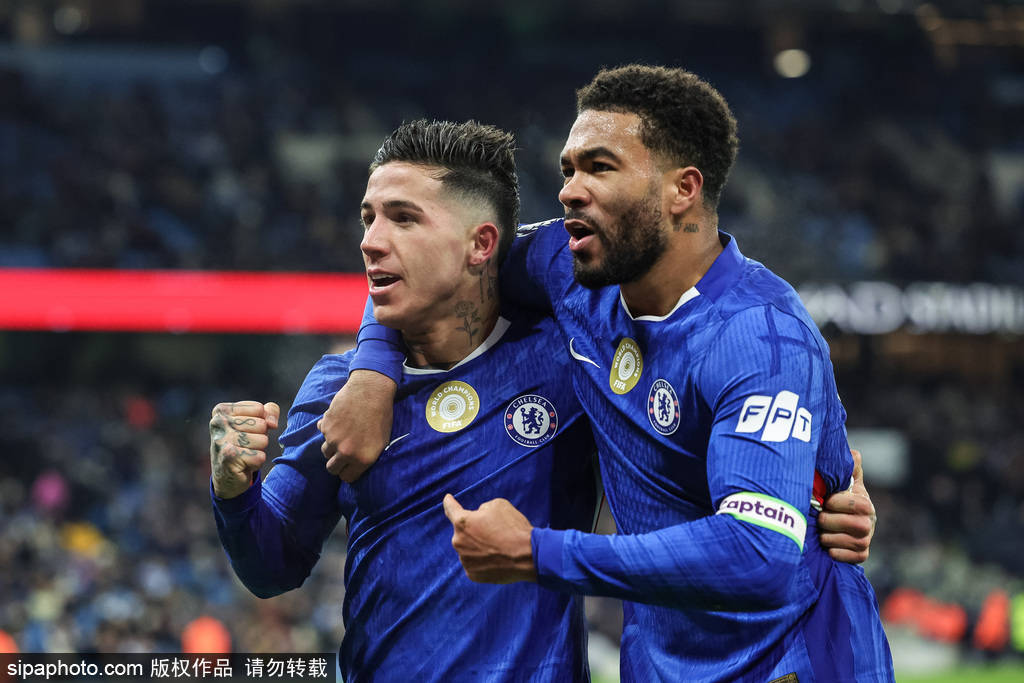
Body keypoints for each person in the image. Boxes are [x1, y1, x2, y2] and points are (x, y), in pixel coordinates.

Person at [337, 66, 894, 681]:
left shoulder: (760, 336)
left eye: (600, 168)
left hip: (788, 662)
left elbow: (758, 555)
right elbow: (433, 264)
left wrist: (537, 552)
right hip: (660, 665)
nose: (570, 192)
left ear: (682, 190)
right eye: (568, 171)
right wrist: (372, 370)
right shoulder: (571, 269)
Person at [209, 120, 598, 681]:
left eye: (404, 218)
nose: (370, 240)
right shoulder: (338, 386)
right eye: (368, 217)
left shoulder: (565, 359)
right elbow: (273, 566)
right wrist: (233, 491)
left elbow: (591, 252)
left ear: (481, 244)